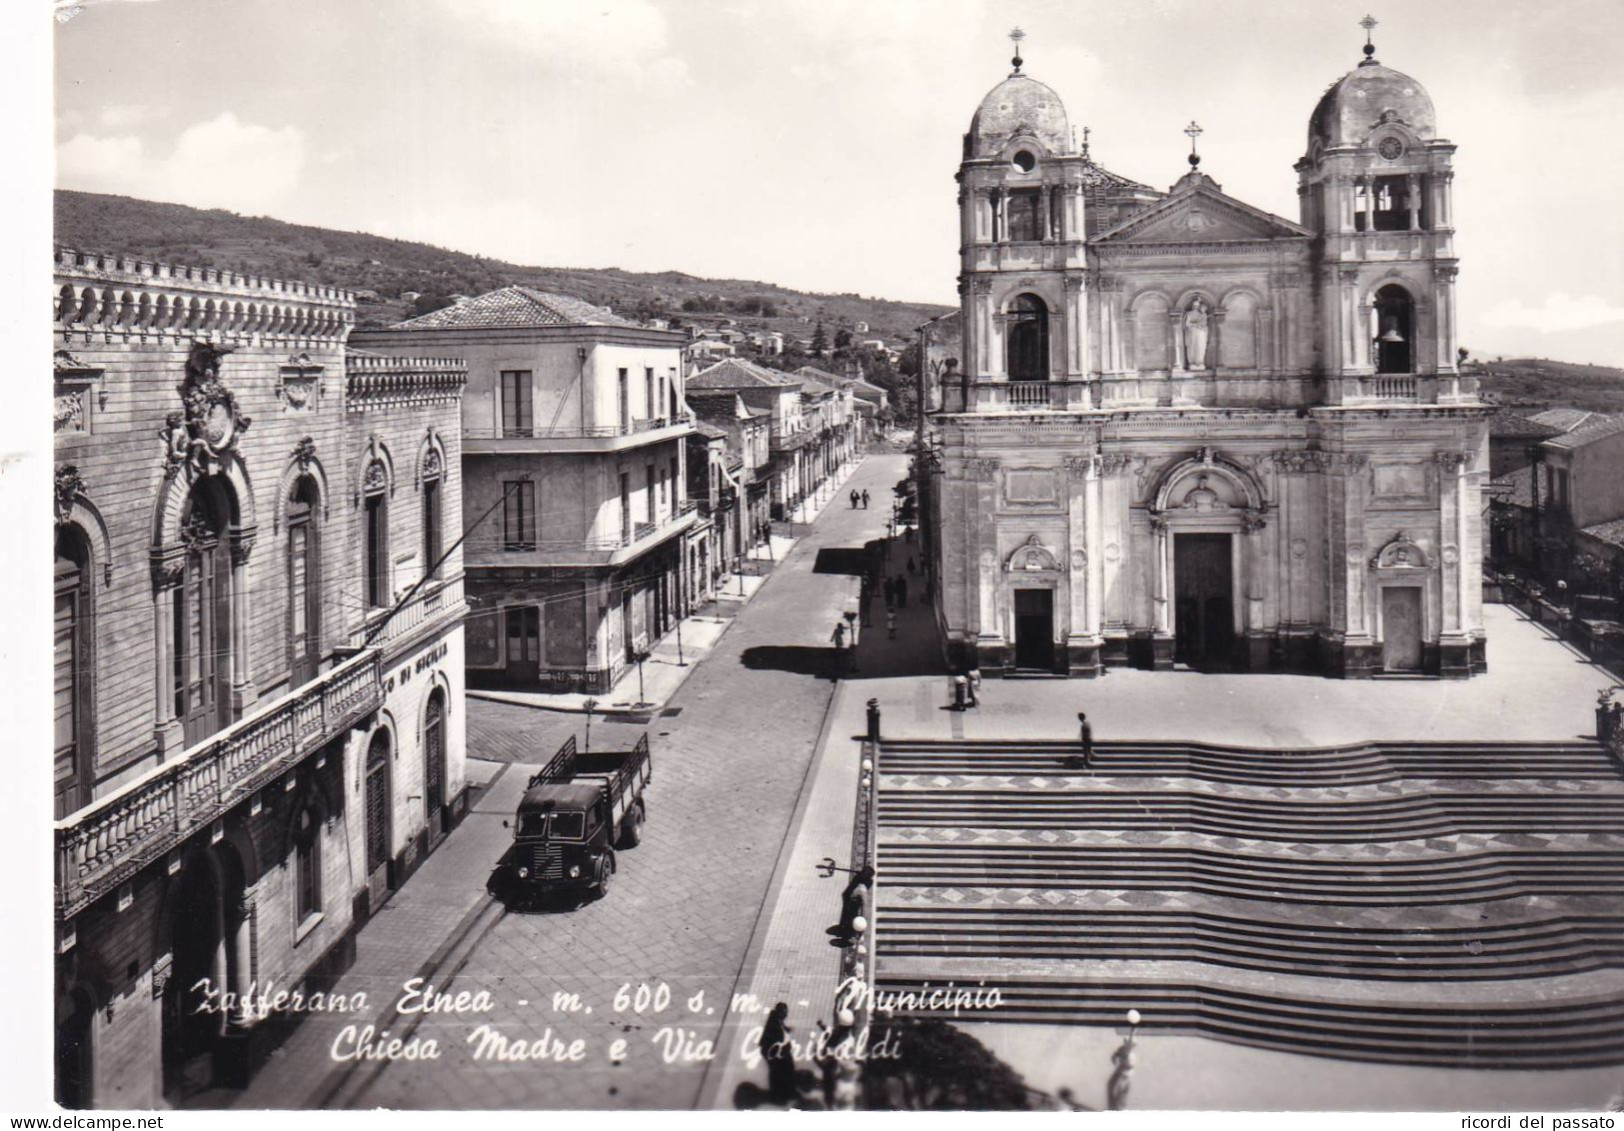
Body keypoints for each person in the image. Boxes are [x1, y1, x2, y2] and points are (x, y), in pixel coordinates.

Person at [760, 1002, 797, 1106]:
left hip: (780, 1052)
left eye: (786, 1012)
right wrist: (779, 1054)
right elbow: (772, 1046)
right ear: (779, 1012)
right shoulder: (774, 1026)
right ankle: (779, 1097)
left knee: (787, 1071)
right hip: (775, 1053)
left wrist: (786, 1028)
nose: (786, 1015)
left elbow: (781, 1024)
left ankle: (786, 1093)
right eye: (784, 1012)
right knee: (778, 1074)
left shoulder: (776, 1017)